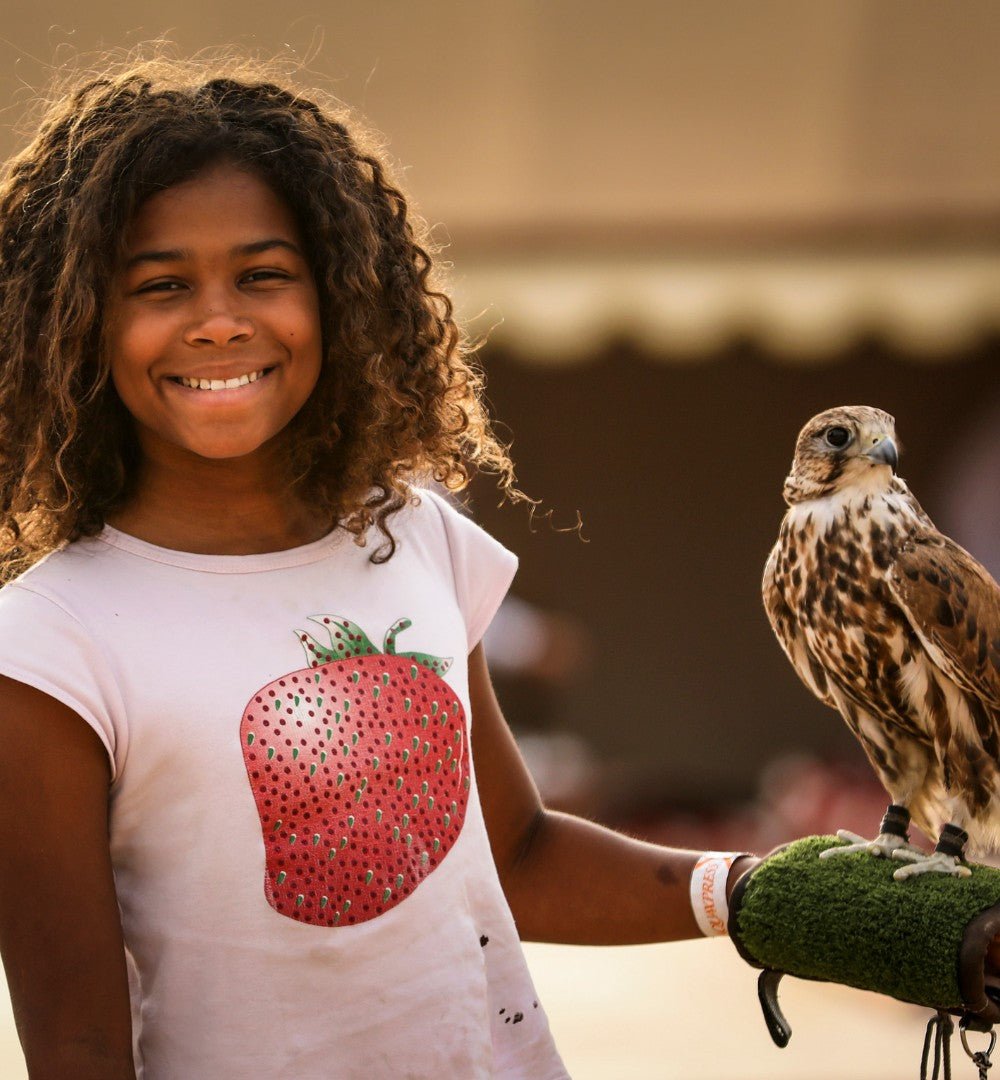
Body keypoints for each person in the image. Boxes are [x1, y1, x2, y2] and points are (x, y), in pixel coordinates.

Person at [0, 55, 757, 1080]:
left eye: (263, 275)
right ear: (76, 322)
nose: (219, 319)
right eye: (161, 285)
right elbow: (79, 1046)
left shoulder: (413, 536)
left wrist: (757, 896)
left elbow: (515, 857)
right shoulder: (48, 644)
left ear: (341, 299)